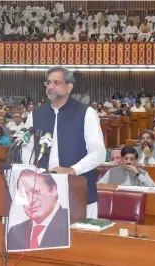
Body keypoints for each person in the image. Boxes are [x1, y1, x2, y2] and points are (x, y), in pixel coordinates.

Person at [21, 66, 106, 219]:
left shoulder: (86, 113)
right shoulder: (36, 115)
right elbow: (26, 150)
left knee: (82, 239)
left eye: (56, 82)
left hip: (77, 188)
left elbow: (98, 153)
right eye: (48, 83)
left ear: (69, 87)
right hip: (43, 193)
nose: (51, 87)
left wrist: (72, 170)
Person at [7, 169, 69, 250]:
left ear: (53, 190)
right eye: (23, 195)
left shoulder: (70, 224)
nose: (30, 200)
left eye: (36, 192)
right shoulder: (15, 232)